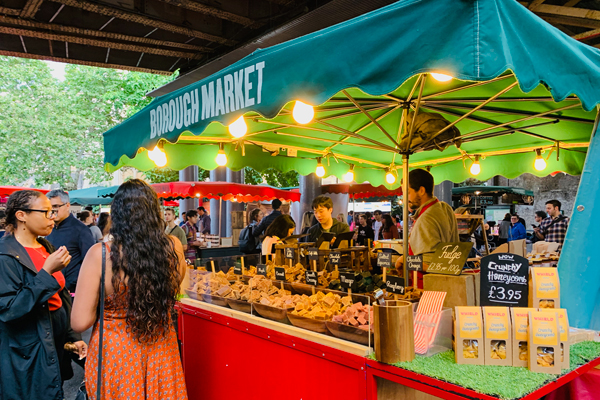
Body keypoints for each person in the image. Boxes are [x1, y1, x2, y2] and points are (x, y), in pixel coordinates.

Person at [72, 179, 188, 400]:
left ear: (117, 215)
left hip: (117, 353)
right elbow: (173, 290)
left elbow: (79, 322)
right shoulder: (173, 247)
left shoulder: (101, 254)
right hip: (161, 348)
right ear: (155, 212)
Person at [0, 190, 87, 400]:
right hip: (26, 352)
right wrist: (46, 272)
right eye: (46, 212)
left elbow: (59, 297)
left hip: (52, 346)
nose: (53, 217)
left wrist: (71, 337)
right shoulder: (5, 255)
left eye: (53, 211)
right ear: (21, 215)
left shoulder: (46, 247)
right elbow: (10, 309)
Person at [395, 169, 459, 284]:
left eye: (408, 192)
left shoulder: (426, 218)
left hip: (426, 287)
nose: (405, 198)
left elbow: (431, 265)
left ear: (421, 190)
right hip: (445, 283)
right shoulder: (445, 208)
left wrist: (404, 260)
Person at [46, 189, 96, 293]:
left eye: (56, 206)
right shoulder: (48, 228)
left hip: (71, 291)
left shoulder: (81, 230)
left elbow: (90, 263)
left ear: (67, 205)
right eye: (49, 208)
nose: (52, 210)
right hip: (50, 288)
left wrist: (72, 284)